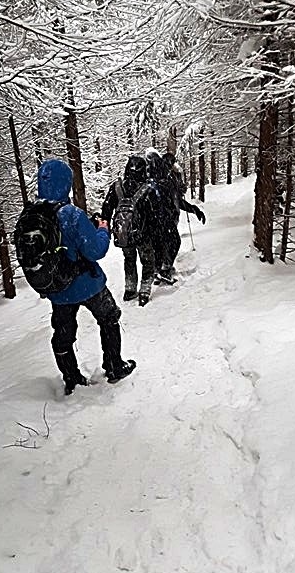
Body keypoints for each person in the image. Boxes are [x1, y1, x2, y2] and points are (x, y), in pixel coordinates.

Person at [36, 158, 136, 394]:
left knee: (63, 335)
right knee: (109, 317)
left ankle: (72, 379)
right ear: (66, 183)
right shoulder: (71, 214)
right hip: (87, 284)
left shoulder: (33, 215)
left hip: (57, 288)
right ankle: (114, 366)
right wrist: (102, 229)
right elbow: (95, 250)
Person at [101, 154, 159, 307]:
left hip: (124, 234)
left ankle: (130, 289)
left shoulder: (117, 187)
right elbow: (154, 215)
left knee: (129, 259)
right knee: (148, 261)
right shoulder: (147, 189)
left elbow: (106, 209)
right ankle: (144, 290)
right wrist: (155, 234)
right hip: (143, 234)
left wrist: (106, 228)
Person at [157, 151, 206, 282]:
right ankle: (164, 270)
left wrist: (194, 209)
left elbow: (176, 199)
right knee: (173, 242)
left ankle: (161, 269)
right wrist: (194, 209)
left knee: (164, 244)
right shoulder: (168, 178)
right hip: (166, 218)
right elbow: (177, 200)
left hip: (160, 218)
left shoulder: (162, 177)